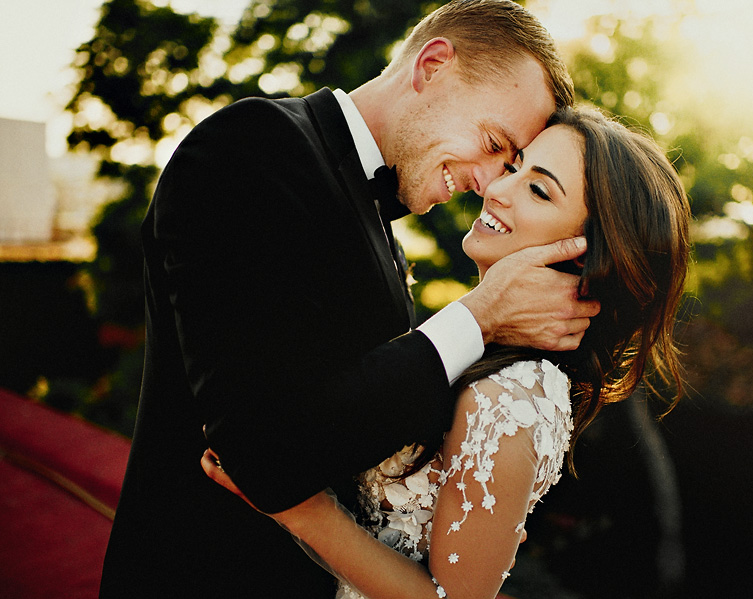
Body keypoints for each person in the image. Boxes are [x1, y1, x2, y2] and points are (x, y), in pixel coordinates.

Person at [99, 1, 599, 597]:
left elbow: (349, 409)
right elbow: (259, 455)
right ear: (432, 65)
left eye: (513, 164)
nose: (490, 183)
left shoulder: (376, 215)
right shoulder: (250, 147)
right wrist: (480, 315)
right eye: (493, 142)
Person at [202, 106, 693, 599]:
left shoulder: (513, 395)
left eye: (538, 190)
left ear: (585, 253)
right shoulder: (472, 350)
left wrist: (302, 510)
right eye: (515, 165)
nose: (498, 189)